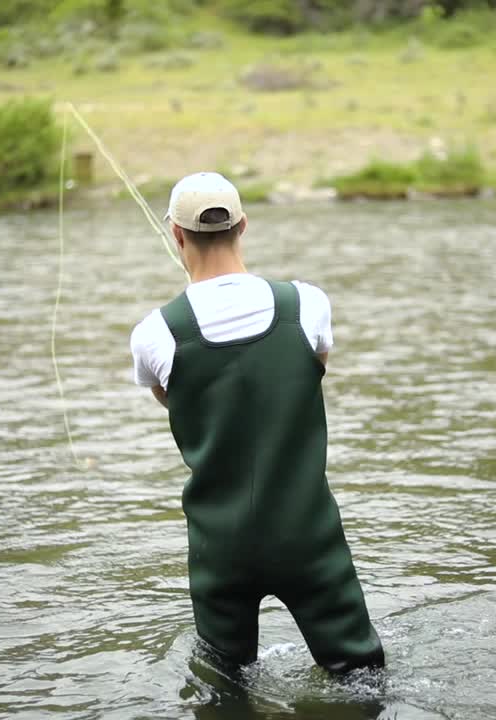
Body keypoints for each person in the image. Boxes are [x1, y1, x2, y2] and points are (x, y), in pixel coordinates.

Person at [129, 171, 385, 675]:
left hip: (219, 549)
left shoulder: (154, 334)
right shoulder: (307, 304)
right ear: (243, 224)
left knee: (224, 683)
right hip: (308, 537)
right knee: (362, 676)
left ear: (177, 236)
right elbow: (314, 369)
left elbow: (173, 400)